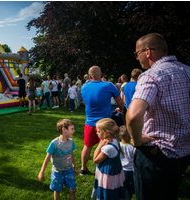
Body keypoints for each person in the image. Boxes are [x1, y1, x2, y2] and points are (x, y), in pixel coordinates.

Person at [126, 33, 190, 200]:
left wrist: (137, 139)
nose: (137, 58)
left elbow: (133, 115)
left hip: (155, 155)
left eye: (137, 53)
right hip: (183, 154)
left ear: (148, 51)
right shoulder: (187, 71)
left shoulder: (151, 75)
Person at [80, 66, 124, 175]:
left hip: (90, 122)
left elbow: (85, 103)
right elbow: (120, 102)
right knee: (106, 146)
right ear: (101, 74)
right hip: (105, 124)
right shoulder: (108, 85)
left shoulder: (84, 88)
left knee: (87, 146)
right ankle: (102, 170)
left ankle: (83, 169)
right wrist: (122, 110)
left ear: (90, 76)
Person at [38, 119, 78, 200]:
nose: (74, 131)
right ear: (64, 129)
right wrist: (41, 172)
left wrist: (75, 167)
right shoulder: (54, 143)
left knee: (73, 190)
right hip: (57, 172)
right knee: (57, 190)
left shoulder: (71, 142)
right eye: (72, 129)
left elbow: (71, 154)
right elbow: (47, 158)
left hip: (69, 171)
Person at [91, 118, 127, 200]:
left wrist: (100, 144)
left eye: (99, 131)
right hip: (114, 174)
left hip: (107, 176)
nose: (97, 133)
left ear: (107, 133)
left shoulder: (108, 148)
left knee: (107, 195)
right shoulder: (115, 141)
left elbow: (95, 160)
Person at [119, 125, 136, 200]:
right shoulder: (133, 148)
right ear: (130, 136)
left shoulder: (117, 146)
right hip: (130, 171)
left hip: (119, 170)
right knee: (129, 189)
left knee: (121, 188)